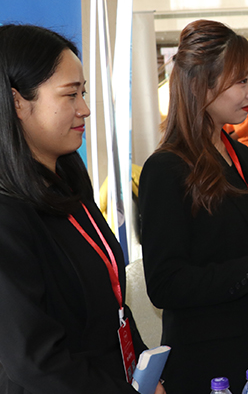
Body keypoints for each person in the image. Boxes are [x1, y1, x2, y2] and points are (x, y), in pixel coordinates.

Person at [139, 20, 248, 394]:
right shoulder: (166, 168)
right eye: (241, 81)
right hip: (208, 361)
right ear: (200, 85)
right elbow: (166, 284)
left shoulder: (242, 156)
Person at [0, 24, 162, 393]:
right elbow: (34, 359)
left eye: (83, 93)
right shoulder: (8, 213)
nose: (84, 109)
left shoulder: (69, 183)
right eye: (70, 94)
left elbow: (112, 305)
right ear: (16, 102)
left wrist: (144, 373)